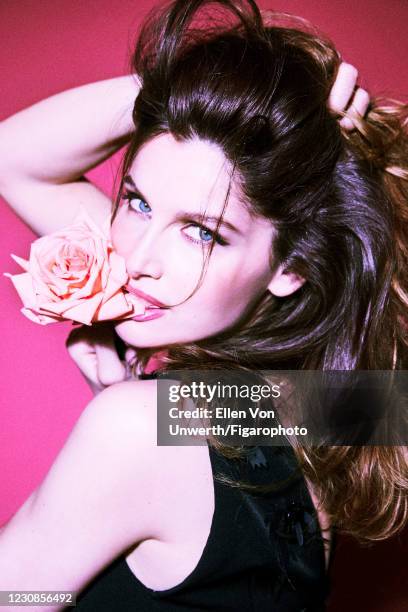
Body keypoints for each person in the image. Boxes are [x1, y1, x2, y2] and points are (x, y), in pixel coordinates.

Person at [0, 0, 407, 610]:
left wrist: (123, 414)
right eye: (136, 202)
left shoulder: (141, 428)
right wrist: (198, 89)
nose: (138, 258)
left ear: (291, 269)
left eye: (203, 232)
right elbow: (12, 158)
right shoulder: (323, 413)